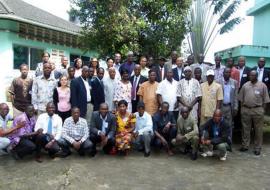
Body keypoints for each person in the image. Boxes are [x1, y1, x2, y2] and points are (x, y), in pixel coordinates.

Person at [238, 70, 270, 155]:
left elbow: (266, 100)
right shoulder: (245, 85)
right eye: (250, 75)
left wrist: (262, 110)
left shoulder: (262, 86)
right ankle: (245, 145)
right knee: (245, 129)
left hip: (257, 110)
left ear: (256, 76)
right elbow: (241, 99)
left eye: (253, 75)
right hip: (246, 110)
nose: (250, 77)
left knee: (258, 130)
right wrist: (242, 109)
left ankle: (257, 148)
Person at [216, 68, 238, 141]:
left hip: (229, 107)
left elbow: (235, 96)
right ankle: (219, 142)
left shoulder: (234, 82)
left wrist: (235, 107)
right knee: (219, 124)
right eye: (226, 72)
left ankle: (228, 142)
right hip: (220, 107)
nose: (227, 74)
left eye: (229, 72)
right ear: (223, 73)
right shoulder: (218, 82)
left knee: (229, 125)